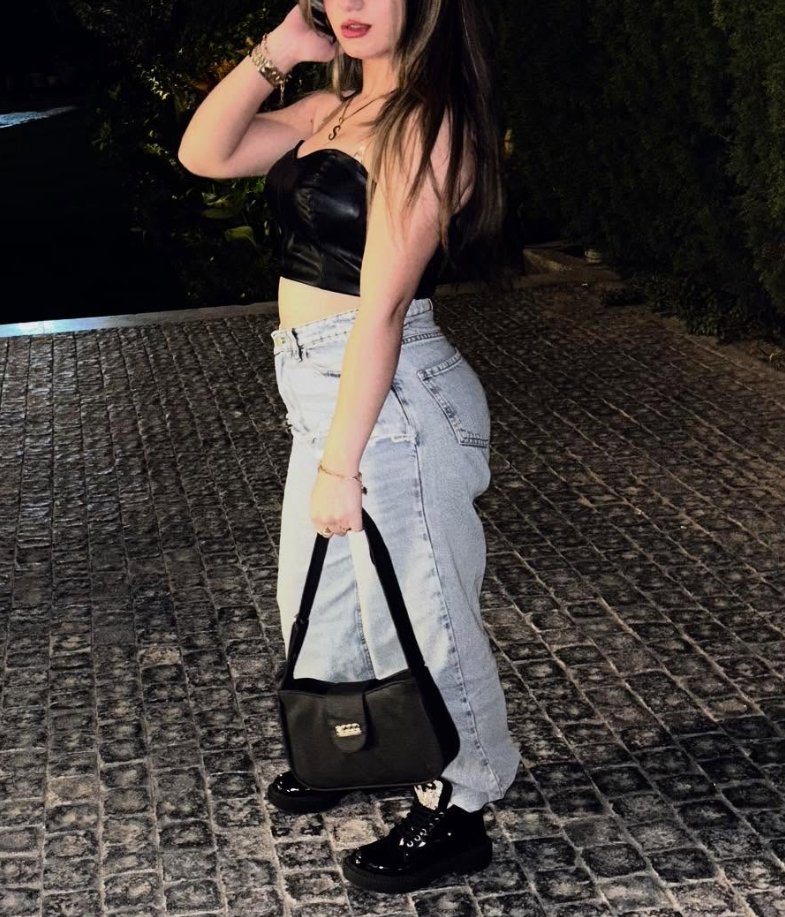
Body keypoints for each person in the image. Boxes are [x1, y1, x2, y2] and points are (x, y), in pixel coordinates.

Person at [178, 0, 520, 894]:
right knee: (320, 596)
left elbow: (384, 309)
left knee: (424, 612)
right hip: (324, 387)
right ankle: (361, 746)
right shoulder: (333, 107)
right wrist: (277, 50)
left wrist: (341, 464)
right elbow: (204, 153)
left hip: (388, 395)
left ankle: (461, 799)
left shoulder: (429, 123)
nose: (353, 4)